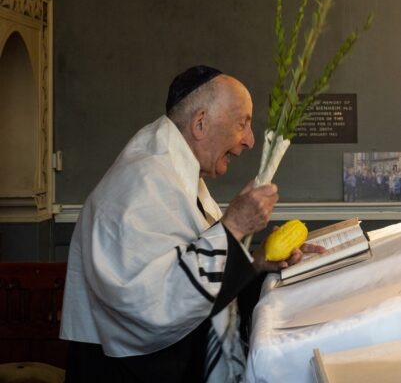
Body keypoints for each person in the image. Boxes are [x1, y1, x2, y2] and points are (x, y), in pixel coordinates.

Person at [60, 65, 321, 382]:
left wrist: (257, 263)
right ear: (200, 123)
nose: (250, 141)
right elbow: (153, 309)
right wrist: (235, 226)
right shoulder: (140, 185)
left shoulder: (177, 176)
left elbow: (193, 285)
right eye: (243, 125)